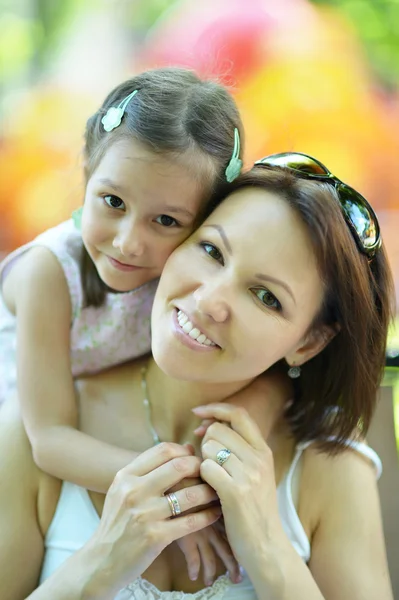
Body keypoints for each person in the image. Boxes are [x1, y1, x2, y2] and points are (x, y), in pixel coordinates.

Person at [0, 154, 394, 599]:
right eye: (211, 251)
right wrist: (103, 561)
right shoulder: (35, 429)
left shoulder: (328, 468)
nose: (210, 301)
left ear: (309, 342)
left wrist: (267, 546)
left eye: (266, 297)